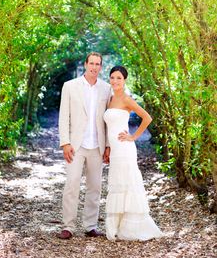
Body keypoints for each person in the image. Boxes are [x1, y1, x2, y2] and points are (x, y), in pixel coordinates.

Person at [104, 65, 163, 241]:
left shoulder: (127, 99)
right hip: (114, 149)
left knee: (128, 183)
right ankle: (116, 226)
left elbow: (147, 117)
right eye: (112, 77)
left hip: (125, 148)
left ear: (124, 80)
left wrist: (133, 137)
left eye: (119, 78)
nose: (115, 81)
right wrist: (108, 146)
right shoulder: (110, 99)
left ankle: (131, 227)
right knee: (117, 183)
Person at [57, 52, 111, 239]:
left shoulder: (106, 89)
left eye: (98, 64)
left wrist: (108, 146)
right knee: (72, 184)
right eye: (92, 63)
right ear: (85, 64)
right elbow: (64, 116)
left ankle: (90, 226)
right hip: (76, 145)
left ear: (101, 67)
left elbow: (107, 120)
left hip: (97, 145)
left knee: (94, 187)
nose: (94, 67)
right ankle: (68, 226)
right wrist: (65, 143)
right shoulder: (70, 86)